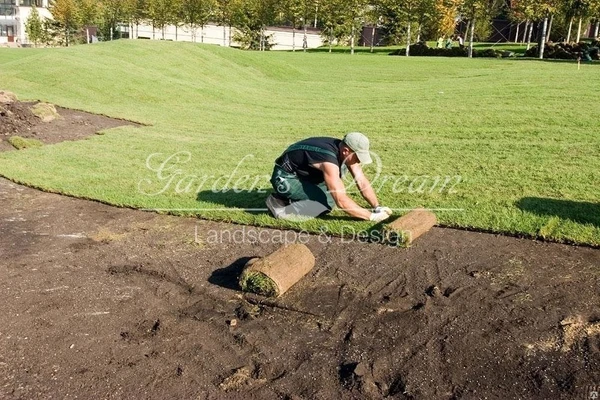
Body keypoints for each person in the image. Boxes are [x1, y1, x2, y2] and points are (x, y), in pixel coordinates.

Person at [266, 132, 392, 222]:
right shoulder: (328, 160)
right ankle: (280, 204)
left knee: (333, 188)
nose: (358, 160)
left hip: (304, 174)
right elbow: (341, 201)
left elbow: (361, 180)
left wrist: (377, 206)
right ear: (346, 151)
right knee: (326, 204)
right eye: (358, 156)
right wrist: (370, 216)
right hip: (285, 178)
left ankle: (296, 197)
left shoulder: (342, 149)